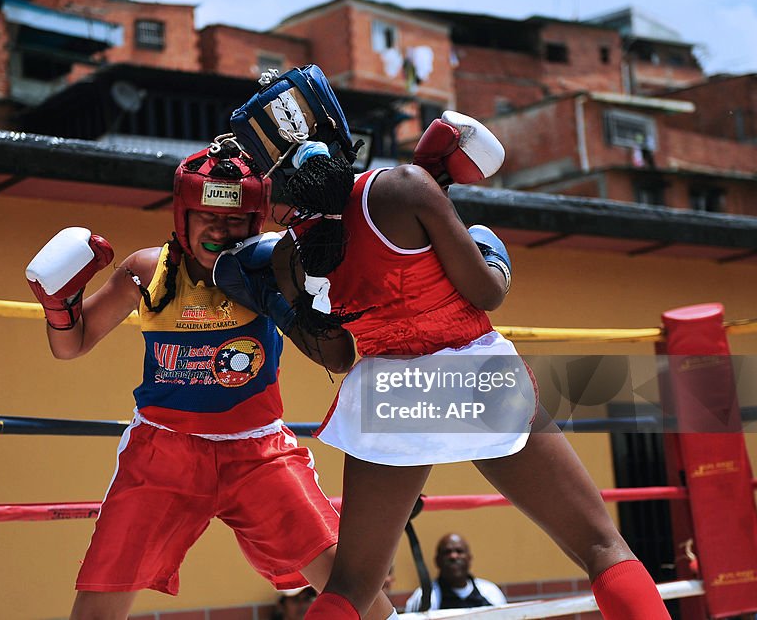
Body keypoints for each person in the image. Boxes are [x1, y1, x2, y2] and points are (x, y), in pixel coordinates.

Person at [220, 81, 672, 620]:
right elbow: (486, 292)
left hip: (387, 391)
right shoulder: (404, 187)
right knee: (601, 547)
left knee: (350, 587)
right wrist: (490, 253)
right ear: (338, 129)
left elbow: (337, 355)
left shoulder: (289, 256)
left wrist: (285, 309)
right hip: (473, 373)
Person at [24, 139, 395, 620]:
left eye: (234, 219)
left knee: (357, 592)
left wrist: (306, 291)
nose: (220, 228)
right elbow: (71, 345)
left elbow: (338, 357)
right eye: (207, 215)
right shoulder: (147, 270)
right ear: (183, 215)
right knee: (97, 606)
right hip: (163, 455)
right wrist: (59, 306)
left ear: (253, 221)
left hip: (259, 454)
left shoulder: (277, 265)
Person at [403, 533, 505, 612]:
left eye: (459, 551)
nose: (454, 556)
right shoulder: (424, 597)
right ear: (437, 560)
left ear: (469, 558)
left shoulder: (491, 592)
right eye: (447, 552)